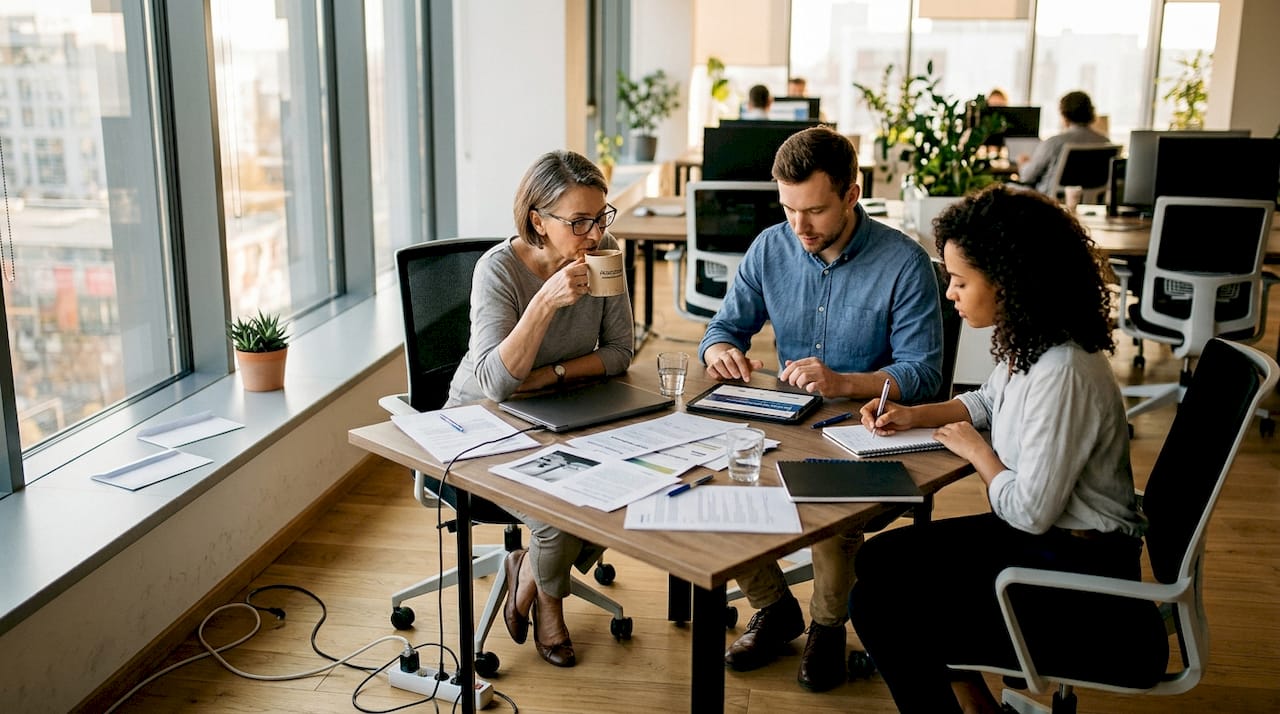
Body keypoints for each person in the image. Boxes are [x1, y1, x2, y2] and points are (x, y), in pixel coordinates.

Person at [848, 184, 1146, 713]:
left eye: (961, 281)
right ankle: (977, 706)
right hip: (1050, 540)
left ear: (1008, 282)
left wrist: (977, 454)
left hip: (1076, 570)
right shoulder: (1033, 342)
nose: (950, 294)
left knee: (882, 605)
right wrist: (917, 415)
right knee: (877, 560)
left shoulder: (1066, 372)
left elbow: (1030, 511)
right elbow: (986, 403)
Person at [700, 125, 943, 691]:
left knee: (832, 512)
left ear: (851, 195)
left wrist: (843, 380)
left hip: (870, 430)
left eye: (813, 210)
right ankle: (775, 606)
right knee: (714, 480)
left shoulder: (904, 263)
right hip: (788, 423)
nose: (799, 227)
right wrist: (721, 350)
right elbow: (723, 326)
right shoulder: (771, 246)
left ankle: (828, 628)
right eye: (788, 209)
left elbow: (924, 372)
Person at [446, 150, 634, 668]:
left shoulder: (604, 253)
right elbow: (497, 384)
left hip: (560, 411)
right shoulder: (498, 271)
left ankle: (527, 569)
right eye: (577, 222)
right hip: (480, 424)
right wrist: (545, 302)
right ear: (538, 220)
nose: (593, 234)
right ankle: (550, 603)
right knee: (557, 518)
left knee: (625, 488)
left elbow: (620, 351)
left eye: (600, 217)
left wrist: (550, 376)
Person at [1016, 90, 1109, 194]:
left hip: (1049, 202)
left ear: (1064, 115)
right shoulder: (1106, 142)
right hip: (1093, 203)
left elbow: (1027, 177)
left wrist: (1023, 164)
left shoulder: (1053, 143)